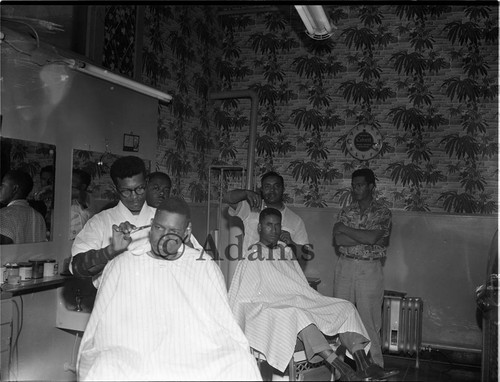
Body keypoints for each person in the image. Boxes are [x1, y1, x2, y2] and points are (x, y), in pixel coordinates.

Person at [77, 197, 262, 381]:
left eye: (173, 231)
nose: (164, 237)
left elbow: (224, 324)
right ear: (151, 225)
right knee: (105, 366)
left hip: (195, 351)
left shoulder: (203, 265)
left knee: (240, 362)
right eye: (159, 228)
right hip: (133, 351)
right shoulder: (123, 264)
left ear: (187, 231)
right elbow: (101, 329)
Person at [229, 208, 398, 381]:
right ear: (259, 228)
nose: (273, 230)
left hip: (296, 301)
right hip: (271, 308)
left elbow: (299, 285)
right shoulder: (252, 255)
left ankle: (365, 366)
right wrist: (272, 301)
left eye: (277, 225)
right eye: (268, 225)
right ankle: (345, 370)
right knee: (300, 316)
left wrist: (304, 298)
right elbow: (244, 296)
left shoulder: (286, 251)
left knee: (345, 307)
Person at [332, 168, 392, 368]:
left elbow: (373, 238)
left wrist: (348, 231)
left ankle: (376, 368)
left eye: (360, 185)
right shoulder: (347, 211)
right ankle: (341, 369)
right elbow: (338, 238)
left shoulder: (382, 211)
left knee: (369, 320)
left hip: (369, 269)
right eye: (353, 185)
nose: (355, 189)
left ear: (371, 186)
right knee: (341, 316)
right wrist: (365, 236)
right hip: (345, 266)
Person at [70, 156, 156, 282]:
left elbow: (192, 257)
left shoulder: (163, 219)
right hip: (112, 300)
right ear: (116, 189)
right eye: (126, 191)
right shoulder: (100, 222)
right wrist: (110, 251)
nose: (134, 197)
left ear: (146, 183)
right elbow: (77, 267)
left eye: (140, 188)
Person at [223, 171, 311, 268]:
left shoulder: (295, 220)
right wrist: (245, 193)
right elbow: (227, 198)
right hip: (251, 270)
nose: (272, 190)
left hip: (280, 276)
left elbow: (305, 254)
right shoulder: (251, 208)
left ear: (283, 189)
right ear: (262, 190)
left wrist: (291, 243)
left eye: (276, 186)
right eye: (267, 187)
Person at [0, 170, 47, 244]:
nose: (0, 188)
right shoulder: (38, 217)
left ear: (15, 188)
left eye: (3, 185)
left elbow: (4, 249)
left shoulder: (4, 214)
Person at [69, 169, 94, 240]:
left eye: (72, 181)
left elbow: (87, 212)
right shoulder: (64, 198)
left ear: (83, 186)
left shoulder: (89, 199)